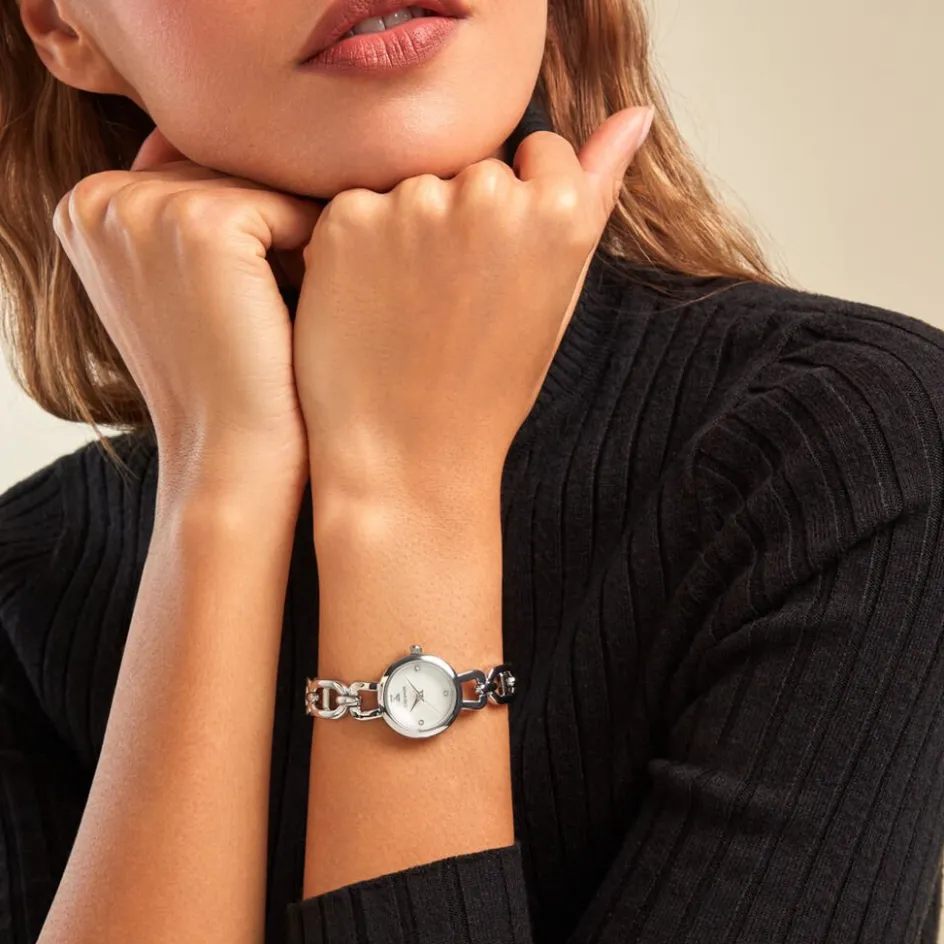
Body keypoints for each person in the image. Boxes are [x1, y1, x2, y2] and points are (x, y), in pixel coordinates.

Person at [1, 0, 942, 942]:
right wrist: (221, 484)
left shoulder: (850, 451)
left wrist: (404, 496)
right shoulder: (25, 590)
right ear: (64, 27)